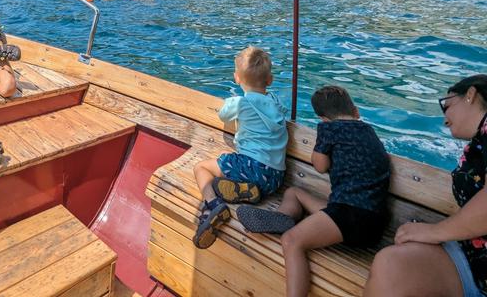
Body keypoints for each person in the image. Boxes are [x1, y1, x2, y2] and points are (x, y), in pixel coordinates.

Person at [237, 86, 391, 297]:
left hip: (350, 216)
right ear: (356, 112)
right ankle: (283, 217)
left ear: (323, 119)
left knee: (292, 241)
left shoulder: (329, 129)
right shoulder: (369, 131)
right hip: (370, 219)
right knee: (294, 193)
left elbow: (319, 165)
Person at [365, 75, 487, 297]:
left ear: (470, 95)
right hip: (472, 261)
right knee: (391, 265)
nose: (445, 120)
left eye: (446, 105)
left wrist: (434, 232)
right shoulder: (478, 144)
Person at [192, 47, 288, 248]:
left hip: (251, 166)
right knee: (231, 170)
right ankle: (249, 191)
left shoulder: (239, 103)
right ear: (269, 80)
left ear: (237, 78)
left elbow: (223, 115)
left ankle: (213, 204)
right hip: (275, 177)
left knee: (202, 168)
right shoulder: (276, 102)